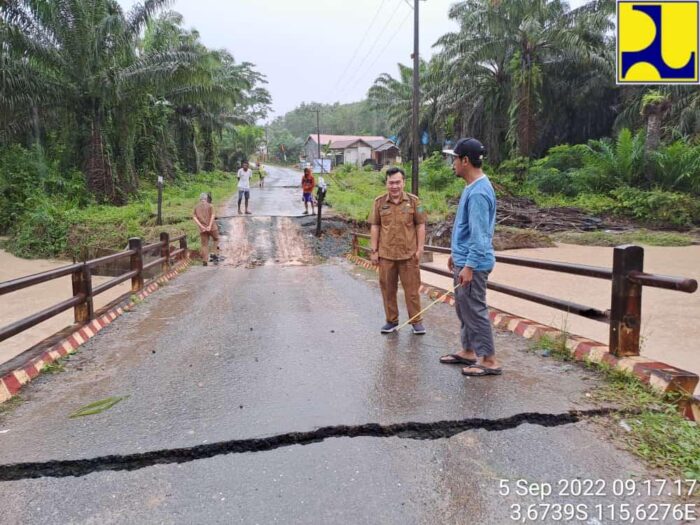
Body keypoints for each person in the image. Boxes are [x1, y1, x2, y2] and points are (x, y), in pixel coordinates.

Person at [440, 138, 501, 376]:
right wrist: (457, 255)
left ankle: (488, 359)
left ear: (465, 161)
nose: (452, 163)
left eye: (455, 158)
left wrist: (470, 265)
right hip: (464, 260)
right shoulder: (471, 187)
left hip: (473, 264)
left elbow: (480, 235)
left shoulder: (478, 193)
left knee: (474, 309)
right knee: (464, 308)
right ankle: (468, 350)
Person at [369, 166, 427, 334]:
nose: (394, 186)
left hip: (409, 255)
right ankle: (391, 321)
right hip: (386, 255)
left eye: (397, 182)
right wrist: (374, 251)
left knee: (412, 290)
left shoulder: (415, 202)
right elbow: (375, 226)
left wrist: (420, 249)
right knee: (388, 289)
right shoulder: (379, 202)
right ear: (386, 183)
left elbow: (420, 224)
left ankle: (416, 321)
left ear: (404, 182)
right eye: (391, 183)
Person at [192, 192, 220, 266]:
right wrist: (210, 226)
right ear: (206, 198)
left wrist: (201, 226)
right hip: (212, 227)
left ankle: (205, 260)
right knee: (216, 239)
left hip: (203, 229)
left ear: (200, 199)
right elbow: (213, 215)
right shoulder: (210, 206)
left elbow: (194, 218)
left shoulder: (196, 207)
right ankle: (214, 254)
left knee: (204, 245)